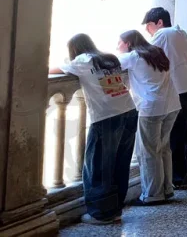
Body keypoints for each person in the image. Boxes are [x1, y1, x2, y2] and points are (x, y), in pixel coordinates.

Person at [49, 34, 137, 224]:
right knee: (120, 163)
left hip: (107, 116)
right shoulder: (108, 58)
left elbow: (53, 70)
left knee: (99, 165)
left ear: (74, 49)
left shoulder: (82, 60)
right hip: (129, 111)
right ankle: (116, 209)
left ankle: (102, 213)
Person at [117, 30, 181, 205]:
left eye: (119, 43)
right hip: (172, 105)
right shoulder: (157, 52)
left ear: (128, 43)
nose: (117, 46)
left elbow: (109, 65)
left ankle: (152, 194)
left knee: (148, 152)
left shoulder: (133, 57)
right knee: (164, 148)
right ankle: (167, 189)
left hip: (151, 108)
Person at [141, 7, 187, 189]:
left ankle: (178, 178)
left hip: (178, 89)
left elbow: (144, 55)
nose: (147, 31)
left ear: (159, 22)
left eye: (148, 25)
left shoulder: (163, 34)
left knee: (175, 135)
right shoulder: (180, 32)